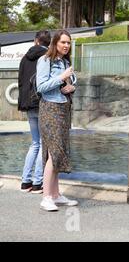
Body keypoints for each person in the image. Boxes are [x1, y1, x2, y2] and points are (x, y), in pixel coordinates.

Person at [36, 30, 78, 211]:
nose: (66, 45)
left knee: (58, 152)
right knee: (53, 152)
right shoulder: (45, 60)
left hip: (63, 108)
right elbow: (41, 86)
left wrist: (70, 86)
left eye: (68, 43)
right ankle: (46, 197)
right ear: (55, 43)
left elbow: (68, 83)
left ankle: (55, 195)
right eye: (63, 42)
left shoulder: (65, 61)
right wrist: (61, 77)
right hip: (50, 109)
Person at [17, 31, 51, 194]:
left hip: (27, 104)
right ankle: (38, 183)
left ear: (35, 41)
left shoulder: (24, 58)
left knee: (35, 143)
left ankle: (25, 182)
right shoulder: (48, 56)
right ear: (49, 43)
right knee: (43, 143)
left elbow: (20, 81)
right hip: (42, 103)